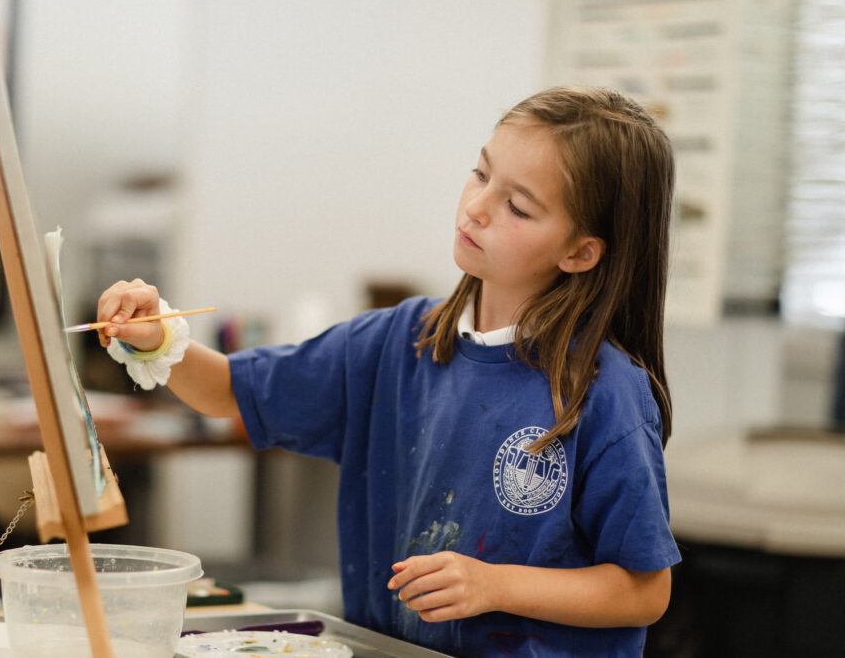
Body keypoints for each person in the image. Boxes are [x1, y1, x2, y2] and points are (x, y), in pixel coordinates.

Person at [96, 86, 680, 657]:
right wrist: (159, 338)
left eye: (518, 206)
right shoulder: (396, 342)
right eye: (480, 175)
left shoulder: (603, 390)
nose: (476, 207)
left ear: (579, 252)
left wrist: (495, 585)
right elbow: (230, 390)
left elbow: (644, 591)